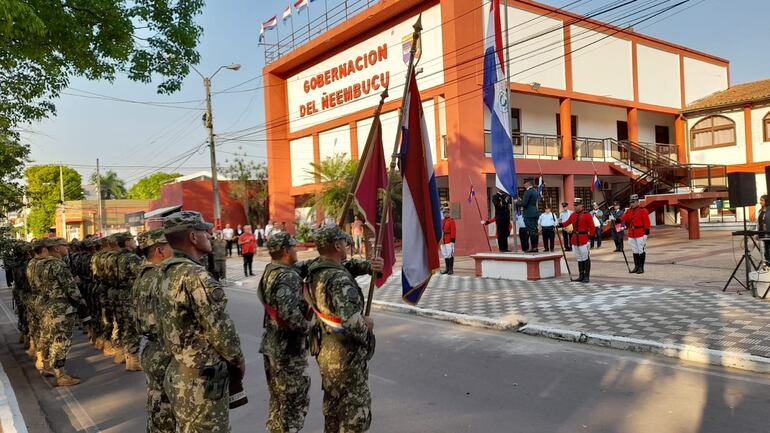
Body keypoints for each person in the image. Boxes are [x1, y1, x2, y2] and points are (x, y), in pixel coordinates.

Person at [156, 211, 245, 432]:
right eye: (205, 231)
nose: (210, 235)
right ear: (193, 237)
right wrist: (238, 361)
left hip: (178, 371)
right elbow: (221, 331)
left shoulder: (164, 272)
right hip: (202, 381)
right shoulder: (195, 276)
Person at [304, 224, 382, 433]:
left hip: (326, 350)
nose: (347, 245)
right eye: (345, 242)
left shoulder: (315, 270)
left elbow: (348, 266)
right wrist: (368, 331)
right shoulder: (338, 278)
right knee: (353, 417)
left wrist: (369, 266)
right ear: (337, 245)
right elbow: (351, 321)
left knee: (333, 412)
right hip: (345, 356)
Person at [259, 232, 311, 433]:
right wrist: (308, 328)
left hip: (272, 345)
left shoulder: (271, 270)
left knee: (278, 403)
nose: (296, 250)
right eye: (293, 247)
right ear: (285, 250)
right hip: (287, 349)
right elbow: (289, 314)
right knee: (293, 405)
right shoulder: (287, 275)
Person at [132, 229, 176, 433]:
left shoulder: (144, 274)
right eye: (170, 246)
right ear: (160, 250)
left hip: (151, 348)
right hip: (164, 348)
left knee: (157, 402)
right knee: (167, 408)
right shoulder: (160, 276)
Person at [39, 237, 86, 386]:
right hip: (60, 306)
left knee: (49, 338)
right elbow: (70, 287)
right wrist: (81, 300)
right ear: (57, 249)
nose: (68, 248)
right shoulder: (58, 265)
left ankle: (47, 366)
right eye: (64, 246)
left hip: (49, 305)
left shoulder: (42, 264)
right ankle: (60, 375)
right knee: (61, 340)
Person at [564, 198, 595, 283]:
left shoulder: (587, 215)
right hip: (575, 239)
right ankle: (581, 275)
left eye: (577, 205)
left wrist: (591, 237)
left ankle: (586, 276)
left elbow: (592, 227)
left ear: (581, 205)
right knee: (579, 258)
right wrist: (557, 223)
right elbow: (566, 223)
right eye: (574, 205)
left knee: (585, 257)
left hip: (583, 239)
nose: (575, 207)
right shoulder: (573, 215)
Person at [621, 194, 651, 274]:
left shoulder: (642, 210)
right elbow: (623, 218)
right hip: (631, 233)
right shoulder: (629, 211)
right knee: (634, 250)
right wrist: (616, 219)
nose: (631, 204)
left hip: (640, 233)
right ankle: (636, 266)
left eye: (633, 202)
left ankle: (641, 267)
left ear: (637, 202)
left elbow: (647, 223)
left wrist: (646, 234)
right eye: (631, 202)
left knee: (641, 250)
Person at [520, 180, 540, 252]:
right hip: (534, 212)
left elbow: (524, 203)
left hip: (529, 213)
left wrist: (517, 202)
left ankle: (534, 248)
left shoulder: (528, 192)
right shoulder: (534, 191)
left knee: (531, 231)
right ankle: (535, 247)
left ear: (528, 184)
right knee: (534, 230)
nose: (524, 186)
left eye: (524, 184)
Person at [440, 208, 457, 275]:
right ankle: (447, 269)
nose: (445, 214)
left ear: (448, 213)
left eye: (446, 212)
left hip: (449, 239)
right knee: (445, 254)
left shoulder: (451, 221)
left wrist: (452, 241)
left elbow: (453, 231)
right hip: (443, 240)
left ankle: (451, 269)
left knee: (450, 254)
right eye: (444, 213)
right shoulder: (442, 221)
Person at [758, 195, 770, 263]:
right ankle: (765, 266)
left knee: (769, 250)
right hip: (761, 234)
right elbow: (758, 223)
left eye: (762, 200)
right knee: (763, 251)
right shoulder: (760, 211)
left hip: (768, 234)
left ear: (766, 201)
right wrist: (756, 233)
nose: (760, 202)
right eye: (760, 200)